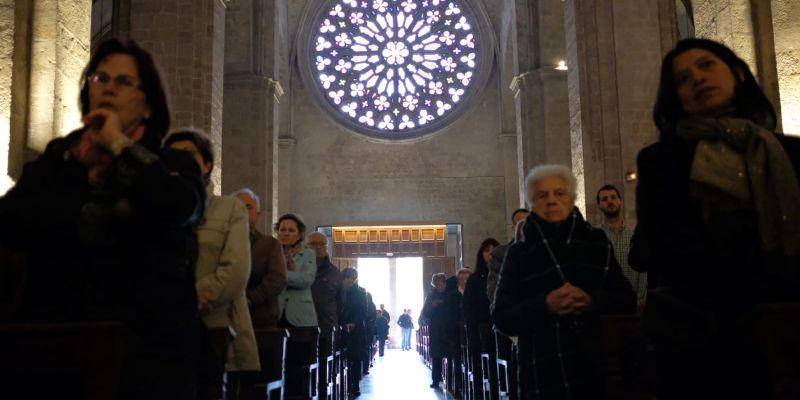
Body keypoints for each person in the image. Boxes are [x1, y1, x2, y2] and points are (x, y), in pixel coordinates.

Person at [0, 38, 206, 399]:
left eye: (124, 81)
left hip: (147, 353)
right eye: (99, 78)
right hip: (52, 342)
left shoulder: (176, 165)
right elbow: (11, 222)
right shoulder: (59, 159)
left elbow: (175, 207)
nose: (108, 86)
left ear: (148, 104)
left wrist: (118, 145)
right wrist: (115, 213)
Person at [636, 38, 800, 399]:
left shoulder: (791, 154)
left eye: (706, 65)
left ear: (738, 73)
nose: (696, 78)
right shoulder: (661, 163)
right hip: (702, 335)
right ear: (674, 97)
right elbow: (666, 250)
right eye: (681, 79)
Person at [492, 165, 636, 399]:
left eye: (559, 193)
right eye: (542, 195)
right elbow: (501, 317)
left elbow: (625, 298)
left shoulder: (595, 242)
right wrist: (544, 305)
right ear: (533, 204)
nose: (551, 200)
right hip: (541, 367)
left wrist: (591, 300)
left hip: (592, 366)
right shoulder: (519, 253)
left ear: (571, 199)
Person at [165, 130, 260, 399]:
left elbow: (235, 270)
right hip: (164, 326)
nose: (180, 161)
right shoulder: (153, 208)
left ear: (207, 164)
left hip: (215, 323)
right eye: (172, 155)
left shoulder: (229, 209)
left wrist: (188, 298)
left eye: (189, 154)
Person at [233, 188, 287, 330]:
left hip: (261, 318)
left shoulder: (269, 244)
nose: (243, 211)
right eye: (238, 207)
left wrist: (250, 299)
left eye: (248, 207)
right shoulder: (221, 242)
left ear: (257, 215)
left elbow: (277, 278)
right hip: (229, 317)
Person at [596, 184, 647, 309]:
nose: (610, 201)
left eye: (613, 197)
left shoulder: (634, 235)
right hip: (606, 307)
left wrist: (641, 301)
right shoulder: (595, 237)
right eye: (604, 199)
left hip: (636, 306)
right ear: (599, 205)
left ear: (620, 202)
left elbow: (643, 273)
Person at [462, 238, 500, 395]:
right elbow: (467, 307)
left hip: (501, 327)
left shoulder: (506, 274)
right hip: (480, 329)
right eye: (486, 250)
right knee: (481, 366)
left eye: (493, 249)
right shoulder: (474, 279)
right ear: (481, 254)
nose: (490, 253)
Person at [275, 213, 318, 328]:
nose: (286, 233)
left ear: (299, 235)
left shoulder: (308, 254)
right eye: (282, 229)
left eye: (291, 230)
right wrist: (294, 275)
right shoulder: (271, 254)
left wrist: (278, 276)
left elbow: (305, 279)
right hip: (275, 315)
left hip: (301, 317)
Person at [339, 267, 369, 397]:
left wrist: (354, 323)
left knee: (355, 359)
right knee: (342, 358)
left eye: (350, 278)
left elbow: (363, 311)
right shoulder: (339, 291)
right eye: (345, 277)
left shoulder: (361, 293)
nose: (347, 280)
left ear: (354, 279)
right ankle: (342, 385)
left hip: (356, 330)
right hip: (341, 328)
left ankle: (355, 385)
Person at [487, 209, 529, 300]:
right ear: (514, 227)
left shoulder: (540, 249)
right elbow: (494, 291)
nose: (525, 228)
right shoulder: (501, 253)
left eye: (527, 223)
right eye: (520, 224)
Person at [420, 273, 449, 389]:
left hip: (447, 328)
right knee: (436, 356)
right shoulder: (431, 296)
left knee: (448, 353)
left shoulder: (449, 295)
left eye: (442, 282)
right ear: (434, 284)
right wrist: (433, 305)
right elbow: (425, 313)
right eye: (438, 283)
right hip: (436, 329)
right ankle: (436, 380)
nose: (440, 285)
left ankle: (449, 377)